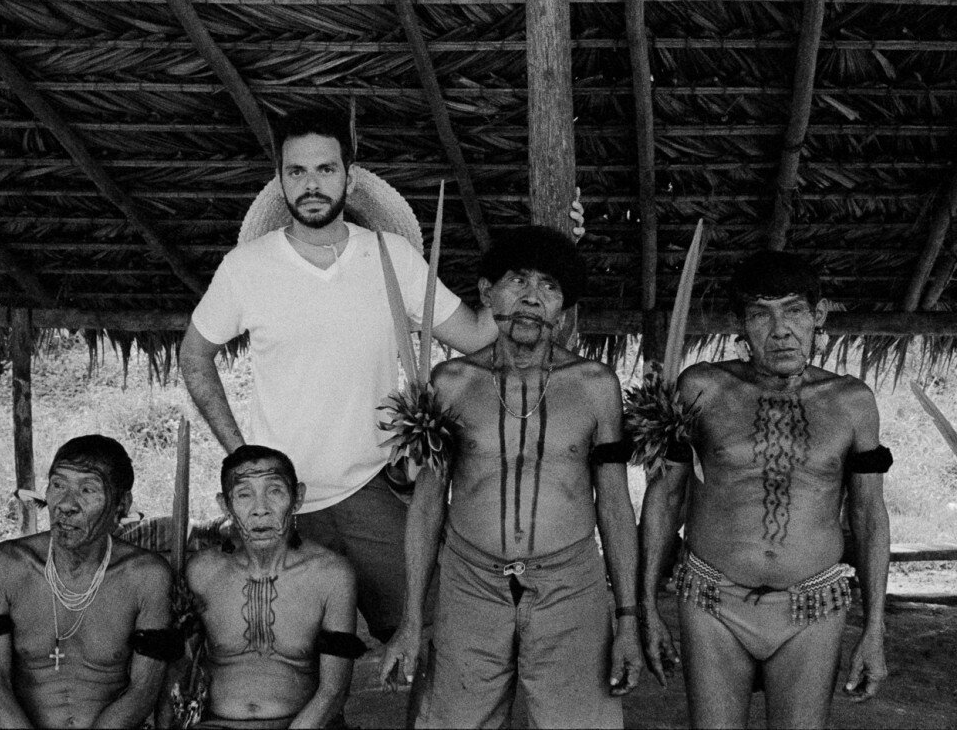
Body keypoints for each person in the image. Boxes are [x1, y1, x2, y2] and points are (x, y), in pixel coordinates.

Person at [180, 108, 587, 644]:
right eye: (296, 171)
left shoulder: (390, 256)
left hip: (373, 488)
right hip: (282, 503)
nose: (311, 185)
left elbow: (474, 332)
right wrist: (240, 456)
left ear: (349, 175)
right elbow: (194, 355)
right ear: (279, 179)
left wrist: (559, 248)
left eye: (325, 170)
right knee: (294, 654)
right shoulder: (245, 267)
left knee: (426, 633)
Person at [378, 225, 643, 728]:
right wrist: (413, 620)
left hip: (570, 582)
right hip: (471, 581)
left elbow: (613, 504)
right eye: (518, 281)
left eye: (548, 286)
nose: (531, 298)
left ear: (562, 308)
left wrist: (627, 618)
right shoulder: (451, 384)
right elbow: (429, 504)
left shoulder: (594, 386)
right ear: (486, 293)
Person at [639, 250, 892, 728]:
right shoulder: (702, 389)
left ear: (818, 316)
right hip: (711, 599)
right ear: (740, 325)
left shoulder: (852, 402)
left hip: (813, 605)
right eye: (761, 314)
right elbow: (665, 498)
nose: (780, 330)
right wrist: (646, 606)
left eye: (794, 310)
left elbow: (869, 516)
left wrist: (875, 627)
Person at [0, 434, 179, 729]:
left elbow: (143, 689)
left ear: (122, 504)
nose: (66, 504)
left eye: (88, 489)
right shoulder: (7, 565)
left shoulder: (146, 576)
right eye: (58, 485)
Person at [182, 444, 364, 729]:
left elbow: (334, 690)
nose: (260, 510)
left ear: (297, 498)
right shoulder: (202, 572)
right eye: (244, 495)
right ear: (224, 505)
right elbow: (180, 669)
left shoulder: (330, 574)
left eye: (275, 491)